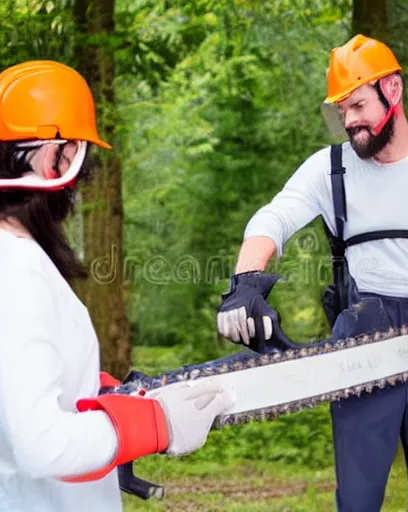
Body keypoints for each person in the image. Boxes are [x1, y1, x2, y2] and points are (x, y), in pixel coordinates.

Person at [217, 34, 408, 511]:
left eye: (357, 105)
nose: (349, 121)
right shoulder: (329, 169)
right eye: (341, 111)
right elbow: (273, 218)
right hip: (361, 343)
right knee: (356, 501)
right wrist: (245, 284)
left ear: (392, 91)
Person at [0, 60, 234, 512]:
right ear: (57, 158)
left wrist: (100, 397)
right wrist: (153, 423)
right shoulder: (19, 271)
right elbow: (41, 444)